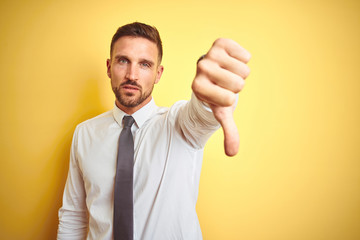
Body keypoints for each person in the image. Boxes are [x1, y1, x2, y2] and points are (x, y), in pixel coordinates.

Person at [57, 22, 251, 240]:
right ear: (109, 67)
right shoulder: (84, 134)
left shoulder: (179, 124)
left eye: (145, 65)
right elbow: (73, 216)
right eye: (123, 61)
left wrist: (209, 97)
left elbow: (200, 117)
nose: (132, 75)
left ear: (158, 73)